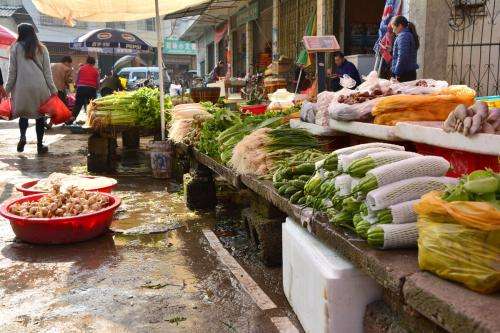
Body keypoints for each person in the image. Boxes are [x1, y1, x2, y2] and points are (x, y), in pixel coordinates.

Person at [5, 23, 58, 154]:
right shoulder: (42, 48)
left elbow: (12, 72)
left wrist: (6, 90)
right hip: (40, 87)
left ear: (20, 33)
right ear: (33, 33)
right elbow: (47, 73)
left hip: (21, 87)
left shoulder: (15, 47)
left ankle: (23, 136)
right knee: (40, 116)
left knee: (23, 114)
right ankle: (40, 145)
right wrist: (53, 90)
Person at [391, 15, 419, 82]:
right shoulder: (407, 35)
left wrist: (397, 72)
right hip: (408, 72)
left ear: (400, 26)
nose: (393, 31)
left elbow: (403, 56)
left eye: (394, 28)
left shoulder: (403, 36)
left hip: (404, 74)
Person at [71, 56, 99, 123]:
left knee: (78, 104)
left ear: (87, 62)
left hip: (81, 88)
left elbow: (77, 79)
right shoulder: (96, 71)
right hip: (91, 89)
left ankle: (71, 119)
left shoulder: (81, 69)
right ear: (94, 63)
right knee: (91, 105)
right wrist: (97, 88)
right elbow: (97, 82)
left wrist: (76, 86)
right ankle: (91, 121)